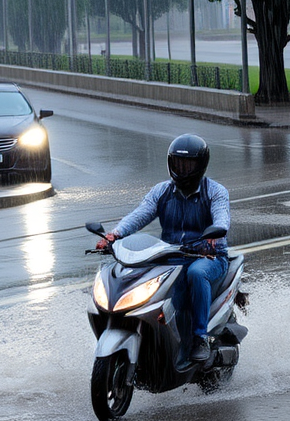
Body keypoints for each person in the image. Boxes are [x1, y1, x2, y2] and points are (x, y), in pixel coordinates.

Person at [96, 134, 230, 363]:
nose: (183, 169)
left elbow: (222, 220)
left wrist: (214, 236)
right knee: (133, 274)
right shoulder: (162, 191)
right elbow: (140, 215)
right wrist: (114, 235)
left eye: (189, 164)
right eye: (178, 163)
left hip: (208, 256)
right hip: (170, 256)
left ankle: (200, 337)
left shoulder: (215, 192)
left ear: (201, 165)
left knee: (196, 273)